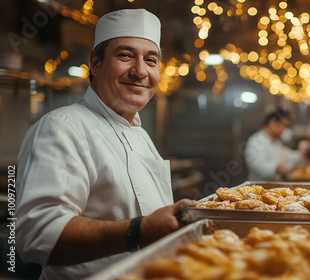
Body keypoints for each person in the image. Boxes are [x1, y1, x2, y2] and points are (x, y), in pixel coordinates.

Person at [15, 9, 196, 279]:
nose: (140, 71)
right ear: (96, 63)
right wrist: (138, 231)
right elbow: (36, 234)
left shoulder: (141, 135)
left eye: (150, 60)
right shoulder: (62, 127)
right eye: (125, 55)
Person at [244, 108, 310, 181]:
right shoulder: (257, 141)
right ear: (273, 122)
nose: (284, 129)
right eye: (284, 125)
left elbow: (288, 156)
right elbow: (259, 167)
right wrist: (277, 168)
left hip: (274, 186)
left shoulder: (275, 142)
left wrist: (301, 152)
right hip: (259, 188)